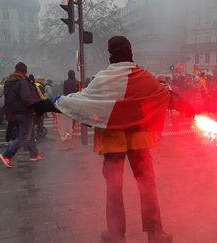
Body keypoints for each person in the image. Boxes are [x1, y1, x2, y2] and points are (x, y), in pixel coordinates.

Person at [50, 36, 177, 243]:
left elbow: (83, 102)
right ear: (131, 52)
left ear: (110, 54)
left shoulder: (103, 78)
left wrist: (54, 102)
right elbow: (164, 96)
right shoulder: (144, 76)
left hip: (112, 138)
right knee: (147, 185)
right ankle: (156, 233)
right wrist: (190, 108)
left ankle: (116, 235)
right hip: (139, 138)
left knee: (114, 188)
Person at [0, 62, 44, 168]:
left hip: (14, 112)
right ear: (25, 72)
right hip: (24, 112)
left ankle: (34, 154)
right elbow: (26, 98)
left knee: (30, 132)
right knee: (24, 136)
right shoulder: (22, 82)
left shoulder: (8, 82)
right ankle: (7, 155)